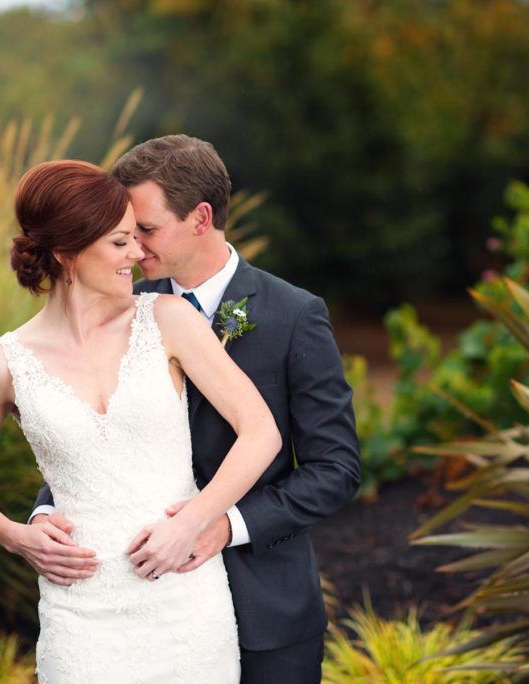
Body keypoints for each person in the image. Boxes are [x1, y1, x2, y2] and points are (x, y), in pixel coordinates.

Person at [27, 135, 362, 683]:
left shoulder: (294, 315)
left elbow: (336, 470)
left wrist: (223, 524)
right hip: (142, 605)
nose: (133, 246)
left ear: (201, 217)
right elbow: (95, 435)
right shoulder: (123, 311)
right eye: (125, 232)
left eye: (148, 229)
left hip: (265, 608)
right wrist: (47, 516)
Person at [0, 159, 281, 682]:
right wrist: (16, 535)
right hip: (80, 615)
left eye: (137, 238)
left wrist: (190, 522)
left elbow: (261, 433)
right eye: (120, 242)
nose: (139, 254)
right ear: (66, 253)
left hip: (186, 602)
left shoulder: (169, 320)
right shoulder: (0, 366)